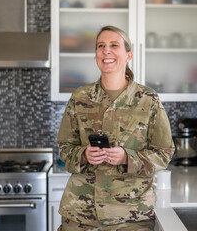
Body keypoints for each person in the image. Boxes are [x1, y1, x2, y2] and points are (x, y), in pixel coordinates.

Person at [57, 25, 174, 231]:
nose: (106, 51)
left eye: (114, 45)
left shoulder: (148, 100)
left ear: (128, 55)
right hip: (80, 214)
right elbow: (65, 148)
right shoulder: (80, 97)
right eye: (101, 46)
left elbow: (164, 153)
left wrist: (127, 158)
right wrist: (83, 155)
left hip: (131, 216)